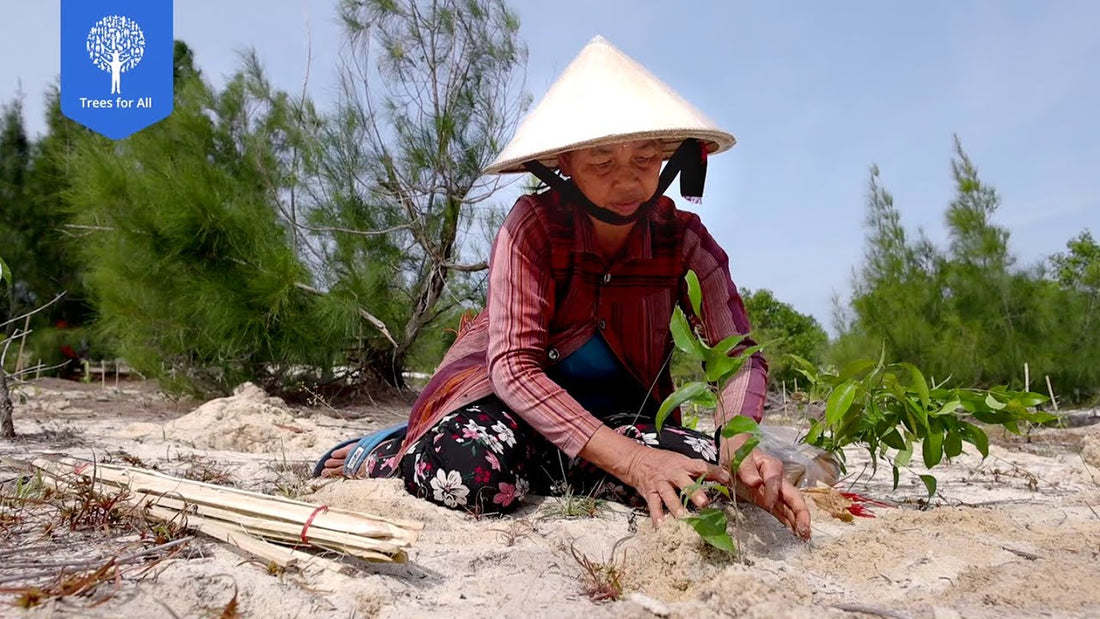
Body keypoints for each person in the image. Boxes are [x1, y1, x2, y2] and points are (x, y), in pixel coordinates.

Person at [316, 35, 811, 539]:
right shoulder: (531, 228)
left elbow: (738, 354)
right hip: (502, 405)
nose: (627, 181)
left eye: (644, 159)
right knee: (470, 478)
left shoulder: (684, 240)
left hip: (616, 417)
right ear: (564, 165)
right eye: (601, 163)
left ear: (667, 157)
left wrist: (741, 441)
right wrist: (633, 463)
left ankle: (570, 464)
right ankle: (391, 449)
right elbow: (512, 367)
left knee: (713, 477)